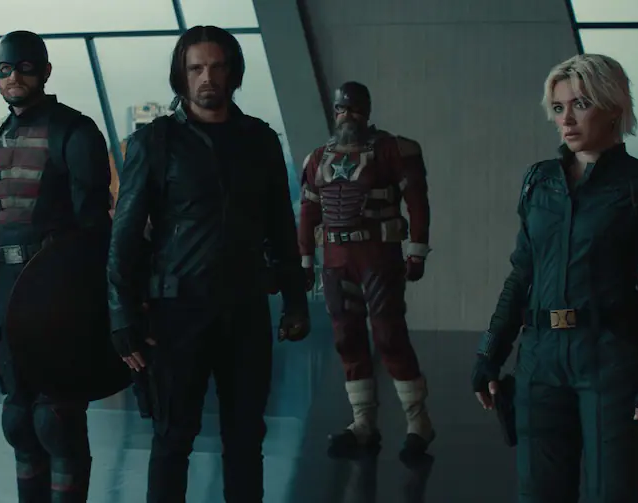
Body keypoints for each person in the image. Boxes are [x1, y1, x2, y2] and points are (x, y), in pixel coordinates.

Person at [107, 25, 311, 502]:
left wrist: (296, 300)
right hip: (178, 315)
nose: (207, 78)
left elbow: (281, 228)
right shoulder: (154, 142)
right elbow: (124, 237)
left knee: (246, 438)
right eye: (196, 68)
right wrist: (121, 315)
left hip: (245, 311)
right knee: (172, 438)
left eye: (217, 67)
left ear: (233, 72)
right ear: (181, 74)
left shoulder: (260, 140)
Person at [471, 53, 638, 502]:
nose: (566, 119)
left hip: (611, 357)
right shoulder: (538, 182)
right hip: (539, 360)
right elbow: (521, 273)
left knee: (613, 493)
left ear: (613, 108)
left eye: (580, 104)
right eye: (559, 107)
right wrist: (490, 353)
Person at [0, 30, 112, 502]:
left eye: (25, 67)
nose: (14, 77)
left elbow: (94, 229)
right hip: (4, 293)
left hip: (57, 296)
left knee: (57, 419)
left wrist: (96, 306)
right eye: (4, 69)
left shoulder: (75, 131)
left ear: (45, 71)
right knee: (18, 419)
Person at [297, 81, 436, 459]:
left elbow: (417, 202)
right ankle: (362, 422)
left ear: (367, 111)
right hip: (336, 261)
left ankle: (418, 421)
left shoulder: (393, 149)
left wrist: (417, 251)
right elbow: (309, 211)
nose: (348, 116)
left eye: (355, 108)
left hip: (378, 257)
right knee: (347, 338)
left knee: (389, 335)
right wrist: (305, 259)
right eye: (342, 109)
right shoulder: (317, 158)